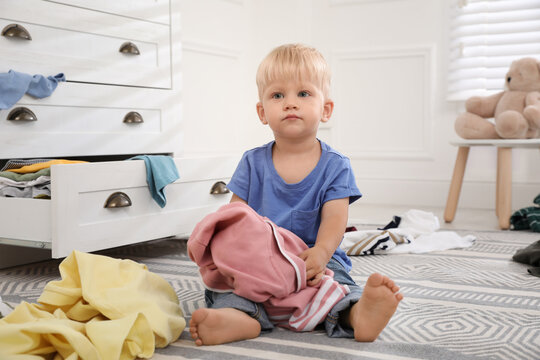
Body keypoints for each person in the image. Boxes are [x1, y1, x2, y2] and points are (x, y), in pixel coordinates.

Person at [189, 43, 403, 345]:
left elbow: (335, 220)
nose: (290, 103)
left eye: (303, 94)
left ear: (325, 109)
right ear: (263, 112)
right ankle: (238, 319)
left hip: (313, 259)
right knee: (225, 287)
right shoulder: (252, 162)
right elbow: (233, 220)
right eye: (278, 95)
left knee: (337, 284)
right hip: (260, 261)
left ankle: (356, 314)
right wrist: (232, 260)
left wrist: (322, 253)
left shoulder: (335, 165)